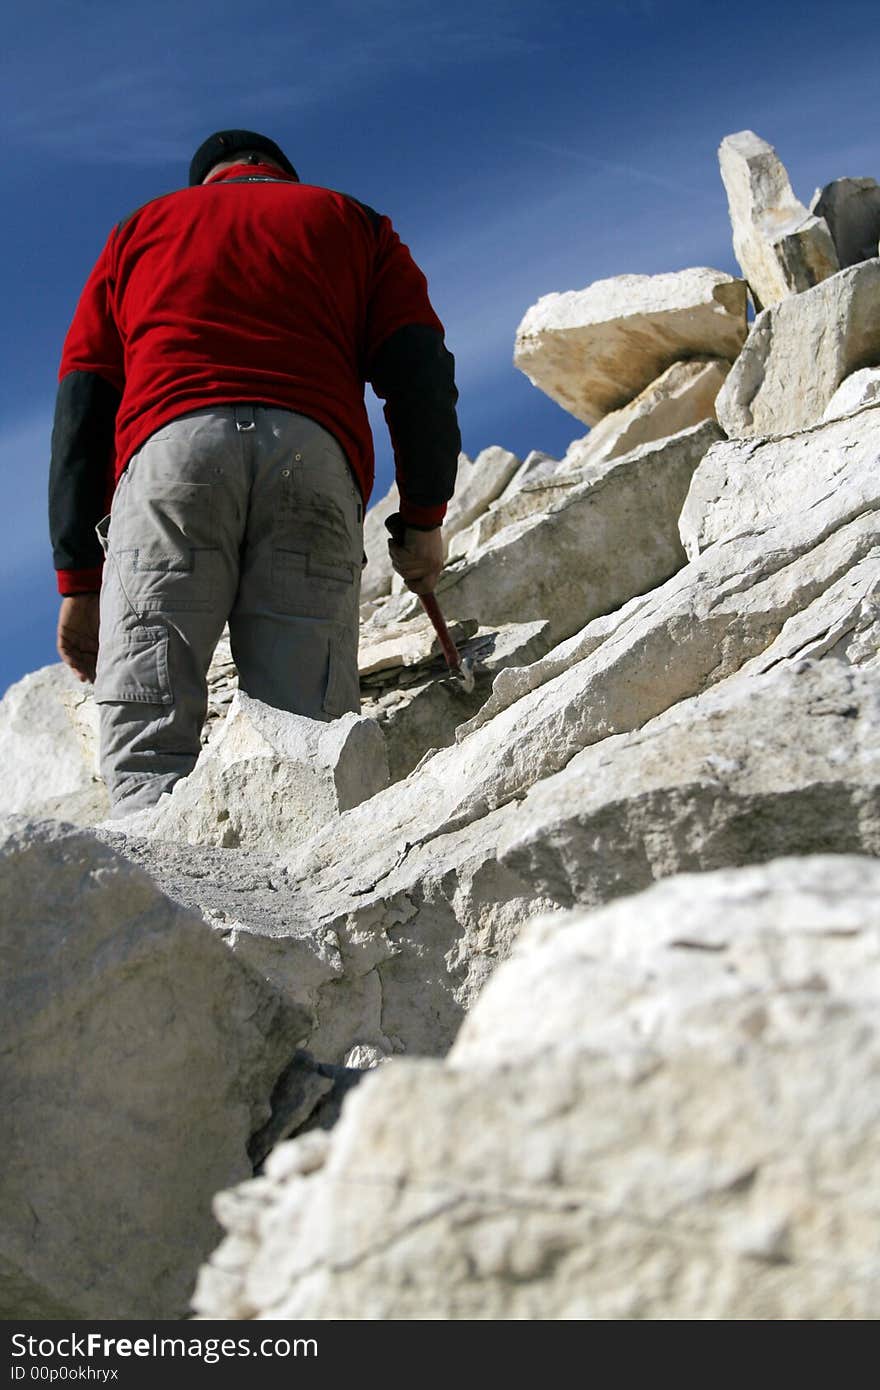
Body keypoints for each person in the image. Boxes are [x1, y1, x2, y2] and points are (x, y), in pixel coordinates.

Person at [49, 129, 460, 817]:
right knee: (308, 740)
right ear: (282, 176)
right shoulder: (351, 220)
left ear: (204, 182)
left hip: (171, 454)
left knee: (147, 747)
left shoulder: (140, 230)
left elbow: (83, 404)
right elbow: (419, 367)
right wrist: (423, 518)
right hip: (313, 453)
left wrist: (77, 581)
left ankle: (157, 902)